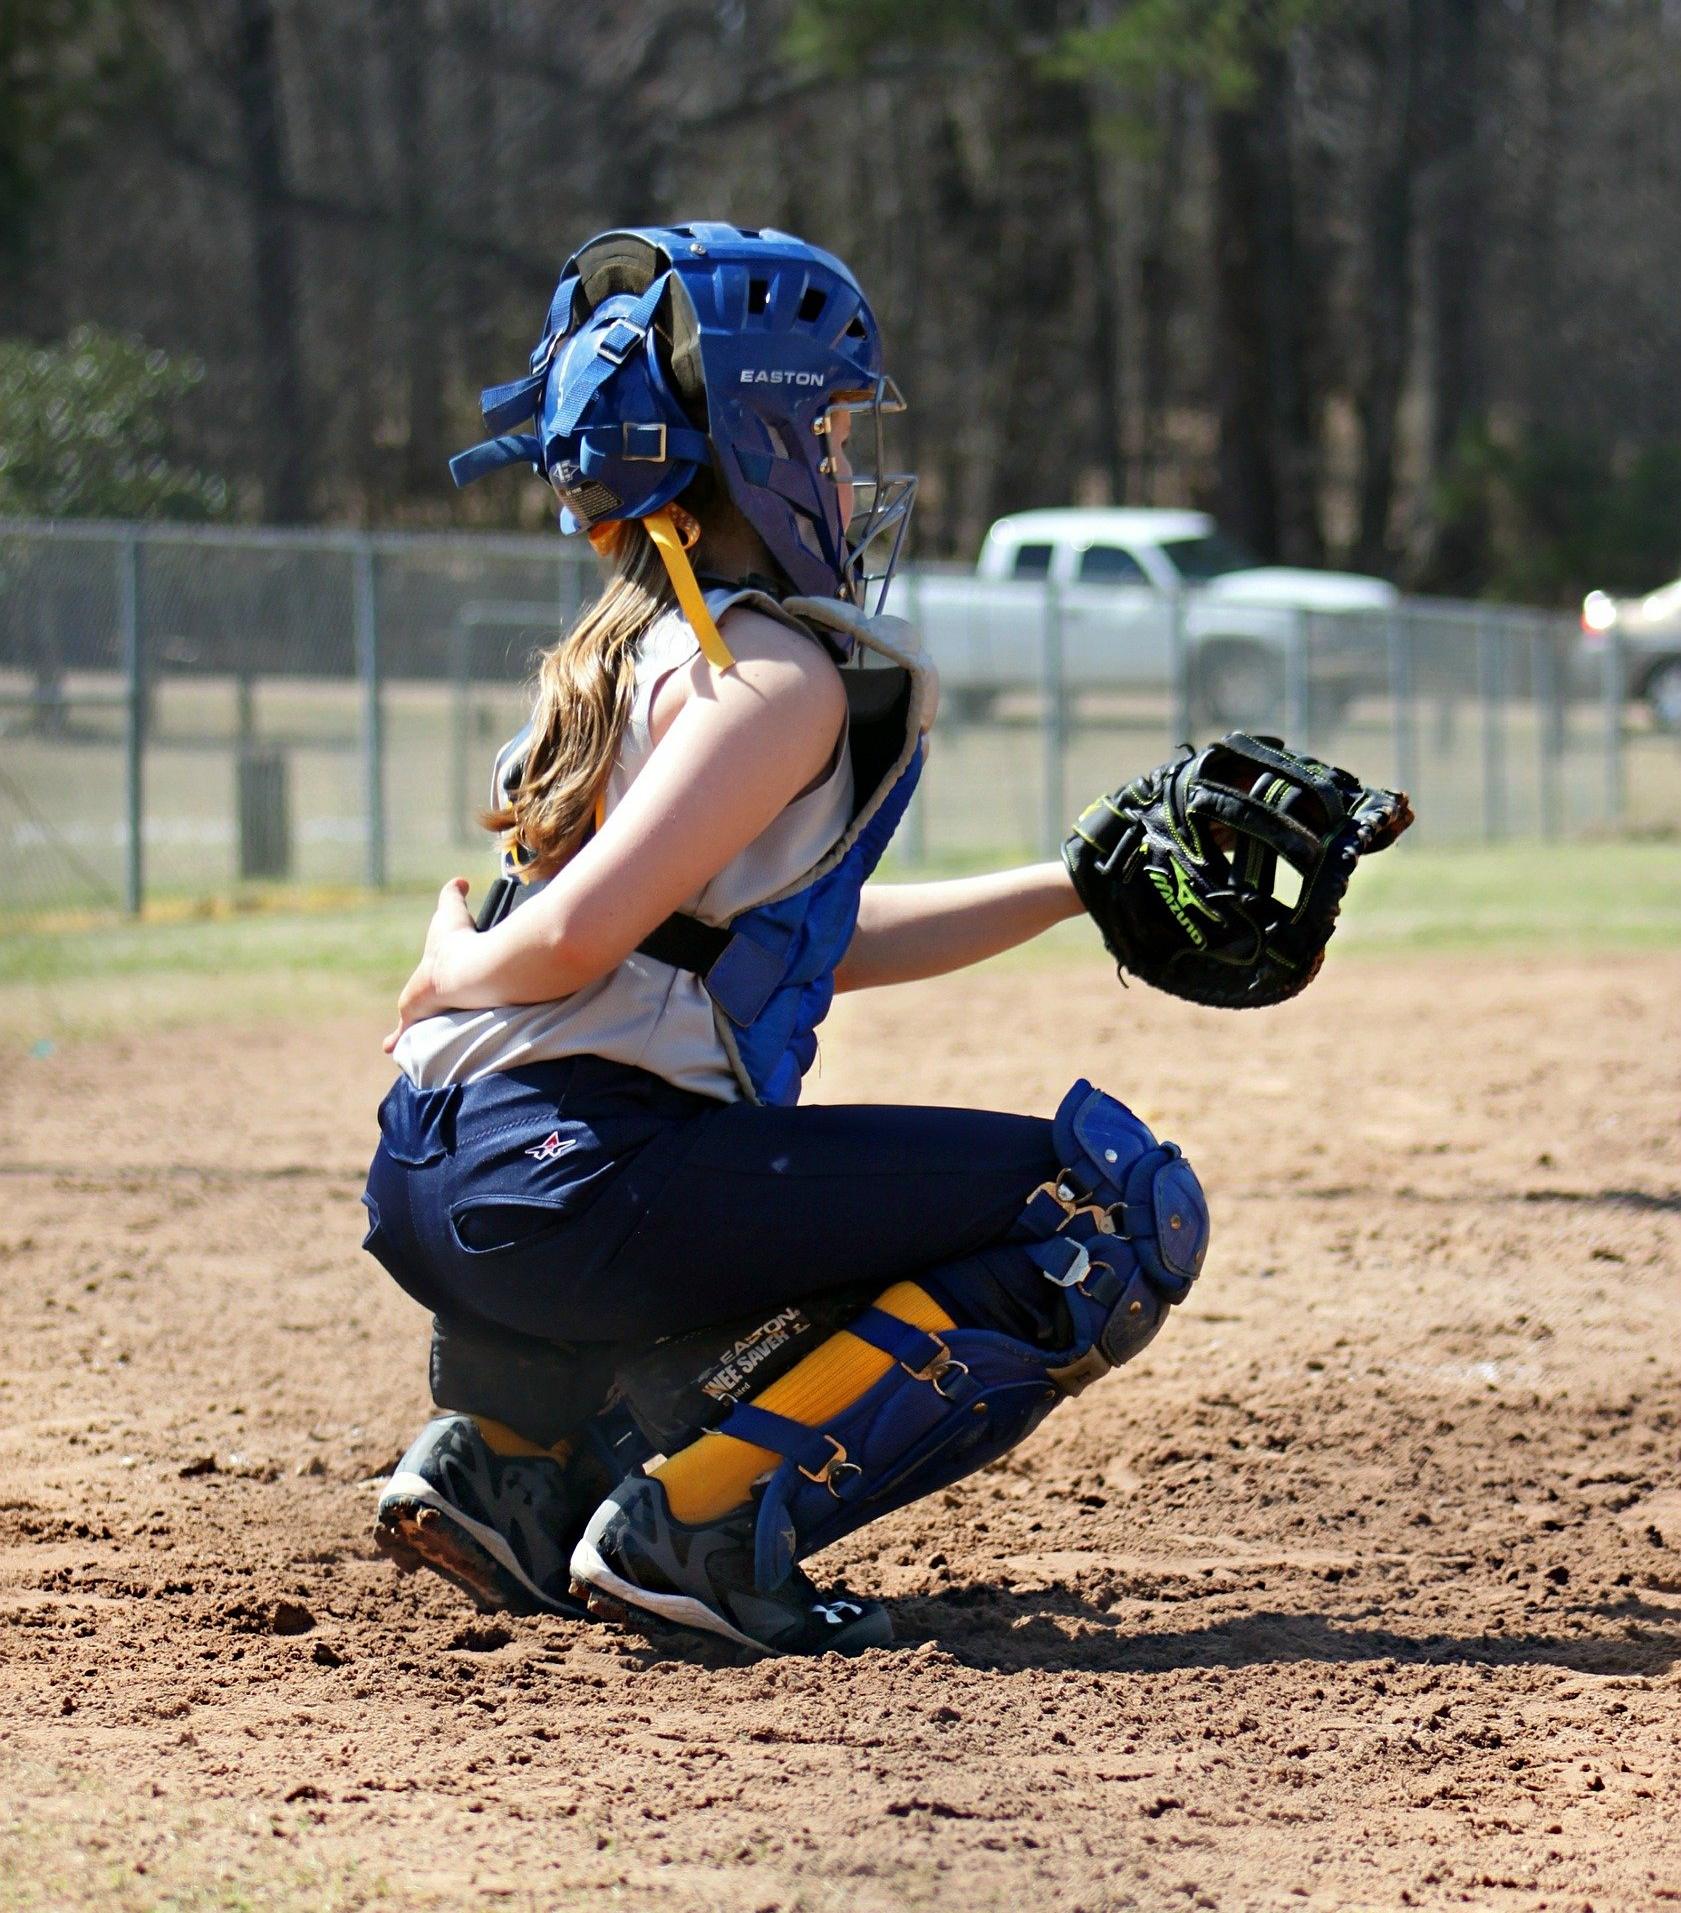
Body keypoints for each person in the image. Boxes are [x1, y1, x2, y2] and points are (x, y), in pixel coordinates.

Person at [364, 222, 1209, 1657]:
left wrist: (1069, 883)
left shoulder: (630, 651)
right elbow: (574, 939)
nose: (840, 465)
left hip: (448, 1179)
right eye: (817, 429)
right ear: (743, 443)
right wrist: (455, 960)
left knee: (764, 1171)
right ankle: (697, 1522)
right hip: (574, 1183)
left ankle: (513, 1461)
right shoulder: (776, 672)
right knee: (1104, 1211)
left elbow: (766, 945)